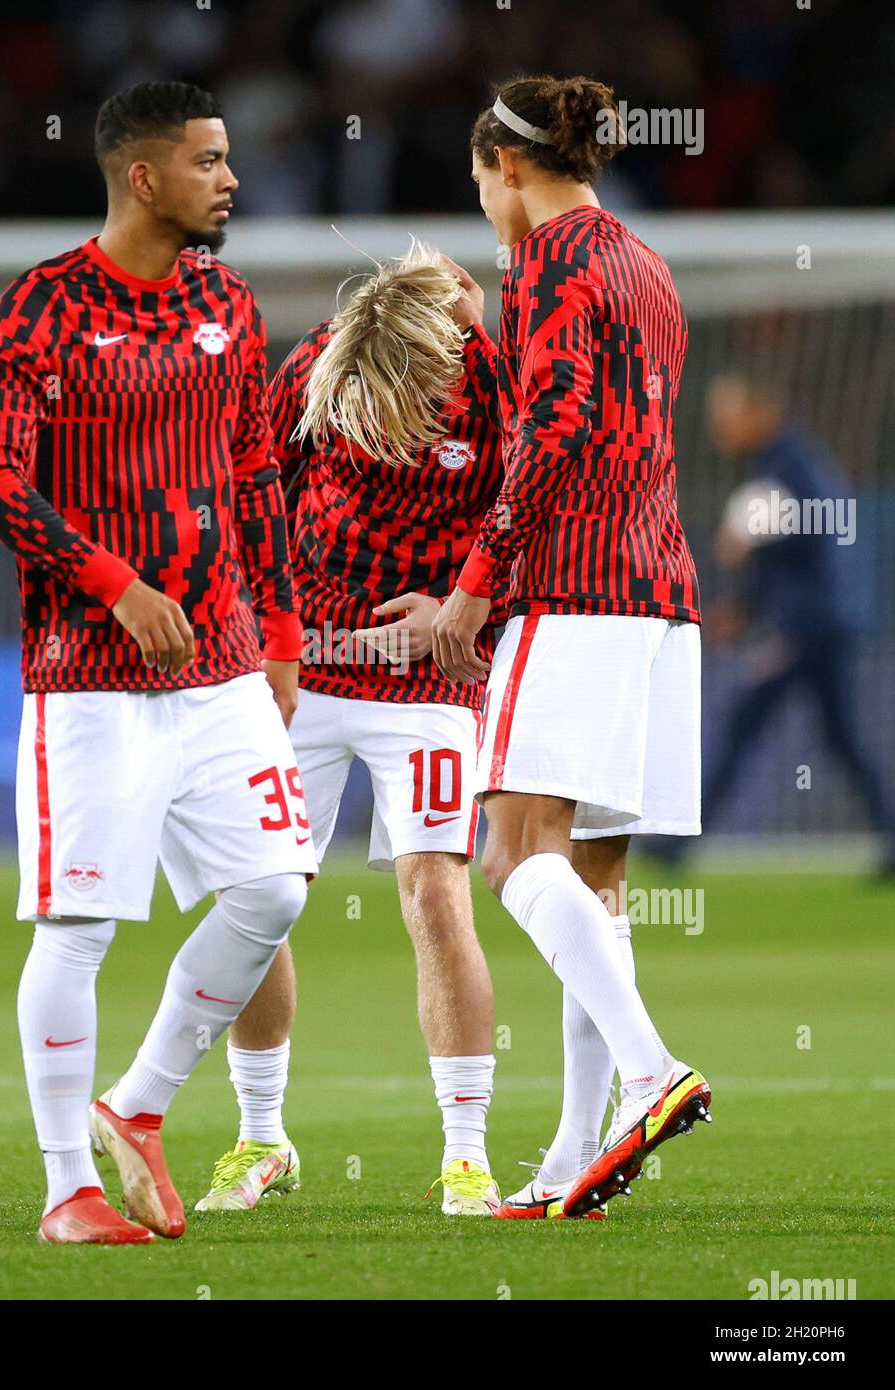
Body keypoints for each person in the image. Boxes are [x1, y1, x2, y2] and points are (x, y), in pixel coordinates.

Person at [0, 81, 316, 1245]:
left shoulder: (229, 303)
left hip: (219, 664)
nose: (231, 180)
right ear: (145, 176)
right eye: (211, 162)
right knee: (78, 930)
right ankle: (68, 1189)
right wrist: (114, 581)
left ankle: (141, 1100)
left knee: (272, 886)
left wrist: (279, 634)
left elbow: (256, 472)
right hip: (88, 675)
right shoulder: (43, 308)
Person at [433, 74, 712, 1220]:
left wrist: (472, 585)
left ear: (505, 166)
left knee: (511, 856)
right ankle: (572, 1156)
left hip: (575, 588)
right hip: (661, 597)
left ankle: (650, 1070)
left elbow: (548, 437)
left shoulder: (546, 259)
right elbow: (595, 416)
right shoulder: (645, 263)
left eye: (480, 185)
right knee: (593, 883)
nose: (488, 208)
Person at [194, 242, 509, 1217]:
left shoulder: (500, 386)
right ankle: (260, 1139)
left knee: (433, 895)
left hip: (429, 681)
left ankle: (465, 1155)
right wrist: (260, 633)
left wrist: (466, 612)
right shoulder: (317, 366)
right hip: (307, 671)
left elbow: (531, 519)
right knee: (260, 893)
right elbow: (243, 493)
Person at [697, 373, 894, 871]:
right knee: (842, 738)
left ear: (759, 413)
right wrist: (745, 606)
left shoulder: (788, 467)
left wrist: (749, 539)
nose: (719, 428)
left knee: (744, 717)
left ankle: (678, 841)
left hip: (808, 629)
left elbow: (811, 539)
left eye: (727, 416)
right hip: (824, 623)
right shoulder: (792, 462)